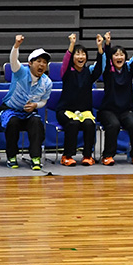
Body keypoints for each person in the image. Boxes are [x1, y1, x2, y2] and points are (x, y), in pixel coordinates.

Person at [0, 36, 53, 171]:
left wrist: (35, 105)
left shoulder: (47, 82)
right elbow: (13, 60)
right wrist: (16, 45)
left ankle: (35, 157)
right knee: (13, 123)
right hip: (10, 110)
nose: (42, 65)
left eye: (44, 63)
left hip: (29, 113)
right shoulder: (20, 72)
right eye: (39, 61)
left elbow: (43, 101)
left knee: (37, 123)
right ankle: (12, 156)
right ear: (30, 63)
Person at [96, 32, 133, 165]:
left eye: (121, 54)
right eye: (116, 54)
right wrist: (106, 44)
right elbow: (103, 58)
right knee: (114, 125)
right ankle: (108, 156)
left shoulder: (128, 70)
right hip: (108, 110)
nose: (119, 57)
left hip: (125, 110)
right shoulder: (107, 70)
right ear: (111, 58)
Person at [58, 33, 101, 167]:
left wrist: (100, 48)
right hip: (65, 110)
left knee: (89, 124)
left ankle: (87, 156)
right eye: (77, 54)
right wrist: (71, 44)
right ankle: (67, 156)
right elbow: (66, 60)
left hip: (84, 111)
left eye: (83, 54)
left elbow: (99, 68)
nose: (80, 57)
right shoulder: (67, 72)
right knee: (73, 124)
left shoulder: (89, 72)